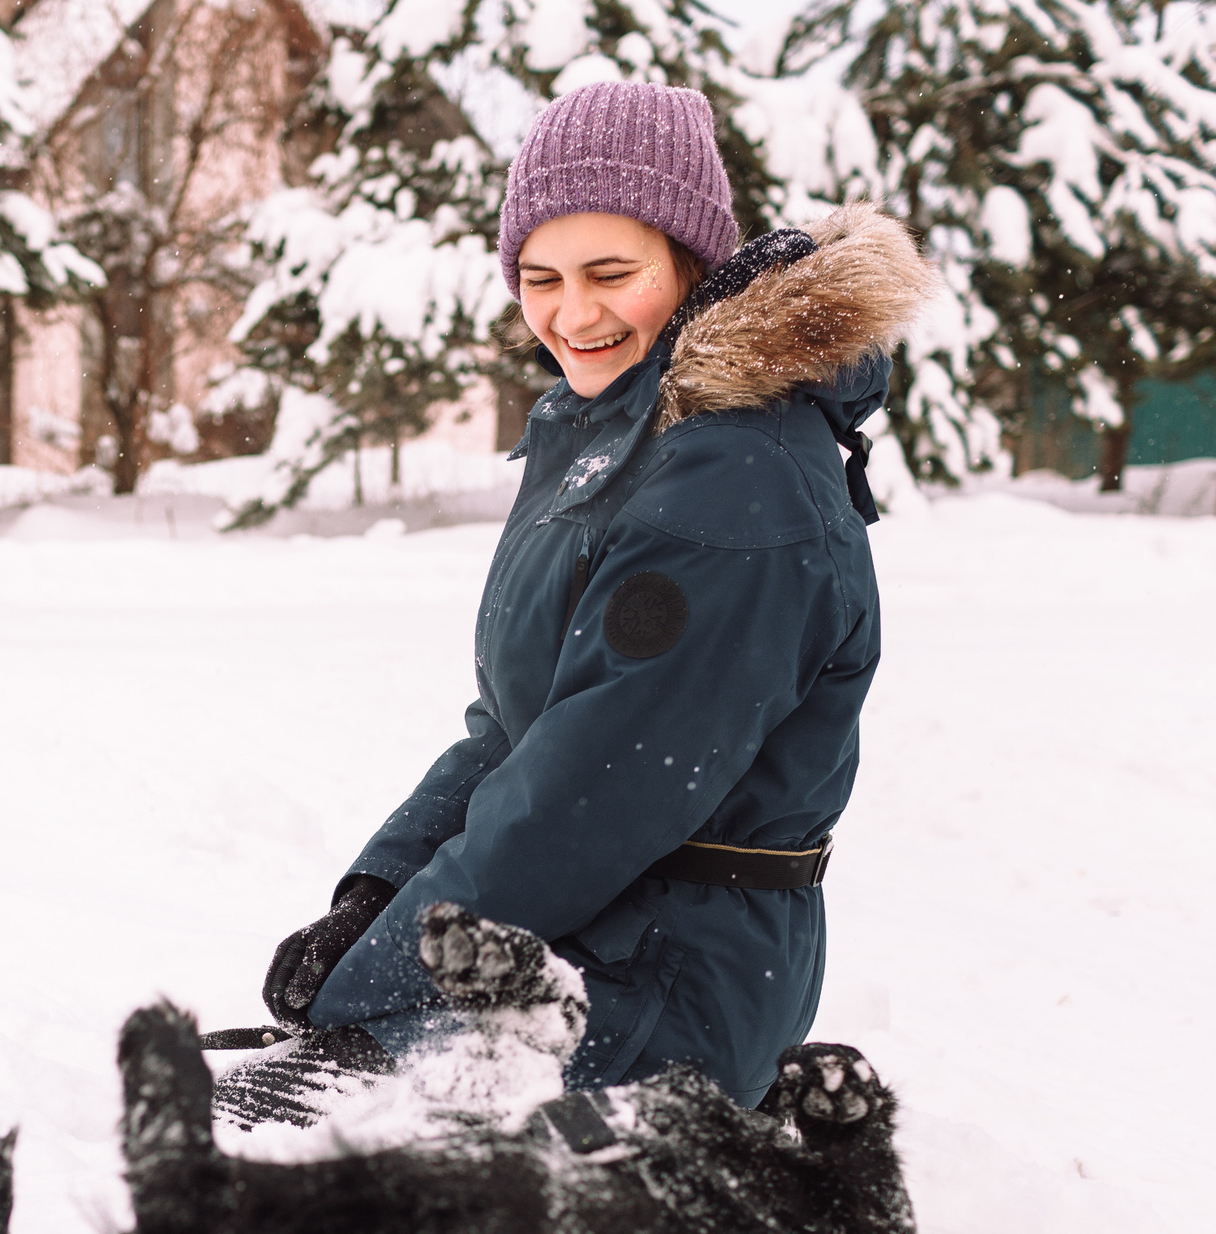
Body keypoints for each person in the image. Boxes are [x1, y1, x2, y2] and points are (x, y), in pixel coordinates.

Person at [249, 80, 936, 1114]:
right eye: (540, 277)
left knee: (301, 1184)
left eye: (612, 273)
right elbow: (512, 732)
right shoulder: (613, 441)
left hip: (661, 984)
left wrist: (376, 993)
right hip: (568, 943)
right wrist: (373, 899)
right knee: (252, 1124)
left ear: (690, 265)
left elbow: (588, 796)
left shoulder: (729, 487)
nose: (573, 314)